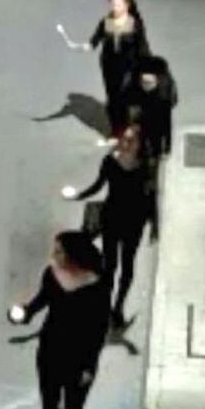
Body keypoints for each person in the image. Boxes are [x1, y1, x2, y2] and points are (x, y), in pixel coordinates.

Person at [9, 231, 110, 409]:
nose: (54, 255)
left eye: (59, 251)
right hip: (50, 349)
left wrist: (89, 366)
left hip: (79, 357)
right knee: (50, 406)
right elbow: (42, 300)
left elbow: (98, 330)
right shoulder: (52, 275)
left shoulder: (97, 286)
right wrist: (24, 313)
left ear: (74, 254)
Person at [65, 125, 150, 329]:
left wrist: (153, 221)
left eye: (131, 140)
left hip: (134, 221)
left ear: (139, 144)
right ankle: (104, 305)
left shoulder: (145, 165)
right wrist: (80, 195)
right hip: (112, 218)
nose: (126, 143)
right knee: (110, 265)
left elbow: (151, 195)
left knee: (127, 265)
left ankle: (118, 306)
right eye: (125, 139)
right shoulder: (110, 162)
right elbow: (98, 185)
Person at [76, 0, 151, 137]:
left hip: (129, 66)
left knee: (125, 99)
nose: (114, 8)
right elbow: (94, 41)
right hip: (108, 65)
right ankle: (116, 132)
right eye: (112, 4)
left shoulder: (134, 23)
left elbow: (142, 47)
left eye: (118, 4)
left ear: (127, 5)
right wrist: (82, 46)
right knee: (112, 99)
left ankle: (129, 129)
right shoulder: (106, 22)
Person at [121, 55, 178, 241]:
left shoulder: (162, 98)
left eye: (149, 82)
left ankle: (154, 225)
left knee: (151, 184)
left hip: (153, 143)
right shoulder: (133, 90)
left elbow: (166, 123)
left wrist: (166, 146)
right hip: (137, 139)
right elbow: (125, 109)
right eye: (143, 82)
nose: (146, 85)